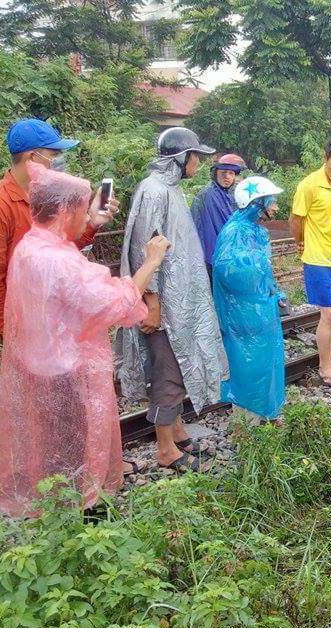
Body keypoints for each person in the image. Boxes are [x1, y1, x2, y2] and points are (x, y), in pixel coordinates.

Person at [0, 163, 170, 517]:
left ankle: (57, 511)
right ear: (62, 210)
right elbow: (117, 302)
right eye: (81, 208)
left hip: (39, 364)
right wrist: (152, 261)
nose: (85, 215)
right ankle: (82, 516)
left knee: (52, 448)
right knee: (76, 450)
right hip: (67, 372)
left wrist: (93, 221)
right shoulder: (60, 261)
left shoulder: (31, 245)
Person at [117, 127, 228, 472]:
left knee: (178, 366)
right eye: (195, 155)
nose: (198, 162)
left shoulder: (170, 189)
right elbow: (143, 251)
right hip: (165, 307)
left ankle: (177, 430)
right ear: (180, 158)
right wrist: (152, 303)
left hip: (180, 302)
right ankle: (165, 449)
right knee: (169, 370)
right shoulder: (154, 191)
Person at [0, 118, 119, 335]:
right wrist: (10, 331)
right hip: (23, 324)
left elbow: (60, 248)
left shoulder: (48, 196)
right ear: (32, 157)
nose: (59, 161)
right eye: (54, 154)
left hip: (56, 319)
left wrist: (92, 222)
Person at [212, 176, 287, 422]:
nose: (275, 207)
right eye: (272, 201)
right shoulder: (234, 232)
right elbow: (226, 269)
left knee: (265, 360)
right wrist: (256, 270)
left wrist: (274, 291)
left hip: (259, 309)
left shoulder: (254, 231)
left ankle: (266, 412)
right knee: (248, 363)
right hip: (243, 313)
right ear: (258, 203)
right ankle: (247, 425)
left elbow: (264, 272)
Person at [290, 137, 331, 386]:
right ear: (325, 159)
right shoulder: (308, 185)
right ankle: (324, 365)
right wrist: (301, 241)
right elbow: (296, 220)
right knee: (328, 312)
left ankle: (330, 361)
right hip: (317, 259)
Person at [190, 153, 246, 281]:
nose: (227, 177)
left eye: (231, 173)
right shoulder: (207, 195)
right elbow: (198, 226)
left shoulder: (232, 194)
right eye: (223, 173)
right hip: (212, 254)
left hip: (229, 253)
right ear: (215, 174)